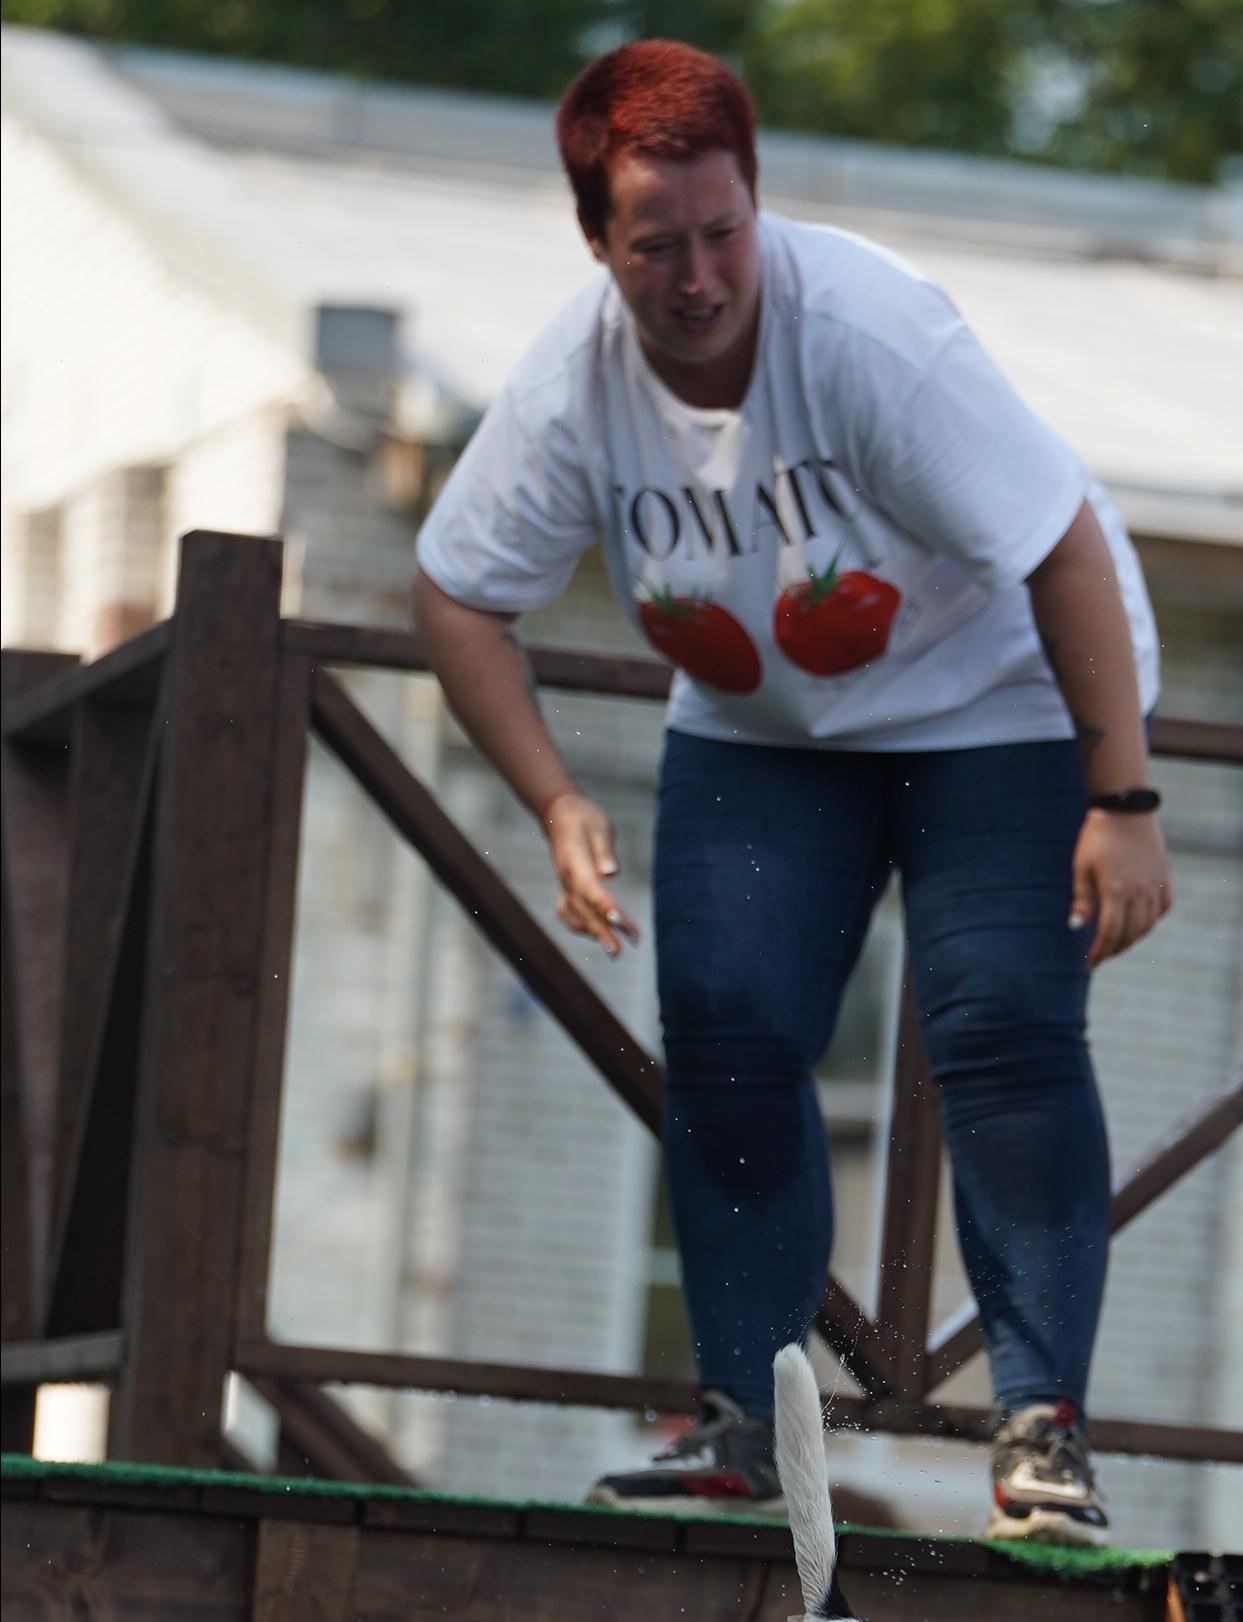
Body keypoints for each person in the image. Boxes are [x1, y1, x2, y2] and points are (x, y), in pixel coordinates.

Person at [413, 40, 1171, 1542]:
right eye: (656, 248)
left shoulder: (872, 337)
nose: (699, 277)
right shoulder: (572, 388)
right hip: (767, 734)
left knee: (999, 1023)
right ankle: (745, 1422)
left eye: (722, 232)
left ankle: (1040, 1433)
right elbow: (457, 596)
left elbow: (1062, 546)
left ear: (755, 204)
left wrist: (1125, 800)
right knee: (732, 1032)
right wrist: (559, 801)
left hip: (1006, 699)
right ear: (596, 245)